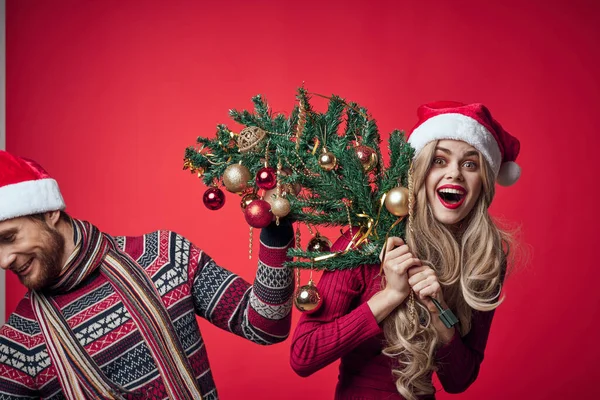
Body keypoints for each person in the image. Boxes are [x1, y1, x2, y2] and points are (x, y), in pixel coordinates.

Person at [0, 151, 294, 399]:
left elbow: (266, 325)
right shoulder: (16, 345)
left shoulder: (163, 255)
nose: (3, 261)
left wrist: (276, 225)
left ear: (49, 211)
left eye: (9, 237)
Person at [290, 102, 521, 400]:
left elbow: (459, 380)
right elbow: (303, 354)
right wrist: (390, 297)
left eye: (470, 164)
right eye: (440, 160)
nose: (455, 174)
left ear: (483, 183)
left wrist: (440, 314)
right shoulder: (368, 240)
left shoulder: (483, 259)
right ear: (420, 171)